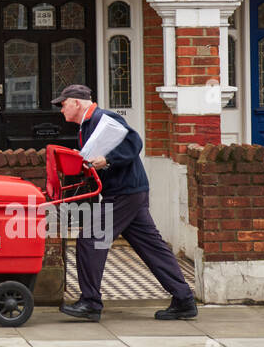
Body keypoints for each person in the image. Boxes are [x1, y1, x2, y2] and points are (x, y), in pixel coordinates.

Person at [52, 84, 198, 322]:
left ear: (76, 102)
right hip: (130, 191)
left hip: (124, 193)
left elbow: (134, 143)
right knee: (151, 246)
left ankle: (90, 303)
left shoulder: (103, 118)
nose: (61, 109)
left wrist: (107, 160)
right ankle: (184, 299)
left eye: (63, 104)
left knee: (90, 238)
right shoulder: (87, 125)